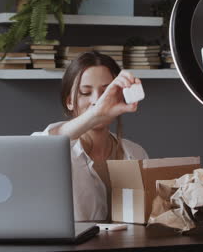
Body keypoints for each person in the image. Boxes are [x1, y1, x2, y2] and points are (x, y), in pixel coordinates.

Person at [33, 51, 148, 222]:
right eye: (85, 93)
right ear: (69, 102)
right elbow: (41, 146)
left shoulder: (136, 153)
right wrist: (96, 113)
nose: (97, 100)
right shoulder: (57, 154)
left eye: (106, 92)